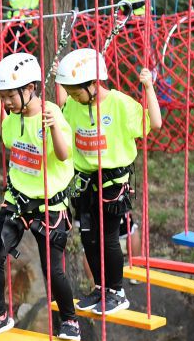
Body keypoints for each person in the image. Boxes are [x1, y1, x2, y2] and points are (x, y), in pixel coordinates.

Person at [0, 53, 80, 341]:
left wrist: (53, 128)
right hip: (17, 200)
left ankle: (70, 320)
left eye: (9, 96)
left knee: (53, 270)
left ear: (29, 89)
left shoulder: (51, 113)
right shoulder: (14, 118)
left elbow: (64, 155)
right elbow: (6, 136)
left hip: (49, 205)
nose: (6, 103)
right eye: (2, 97)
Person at [57, 48, 162, 315]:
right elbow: (63, 111)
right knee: (88, 238)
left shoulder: (120, 104)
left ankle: (117, 292)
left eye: (76, 92)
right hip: (84, 183)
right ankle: (101, 288)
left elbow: (155, 123)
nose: (73, 98)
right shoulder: (74, 104)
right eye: (70, 93)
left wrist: (149, 87)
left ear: (93, 83)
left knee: (109, 238)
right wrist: (61, 78)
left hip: (112, 184)